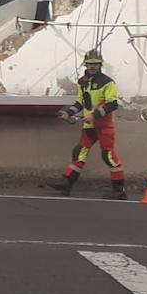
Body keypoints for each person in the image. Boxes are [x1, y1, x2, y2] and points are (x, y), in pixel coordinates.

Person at [57, 48, 127, 200]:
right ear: (86, 64)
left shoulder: (108, 82)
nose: (93, 66)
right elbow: (80, 102)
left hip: (103, 126)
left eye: (96, 64)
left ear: (100, 65)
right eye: (90, 64)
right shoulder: (82, 82)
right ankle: (67, 183)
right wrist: (68, 113)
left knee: (108, 155)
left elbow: (112, 104)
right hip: (89, 126)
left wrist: (94, 116)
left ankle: (119, 190)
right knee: (79, 152)